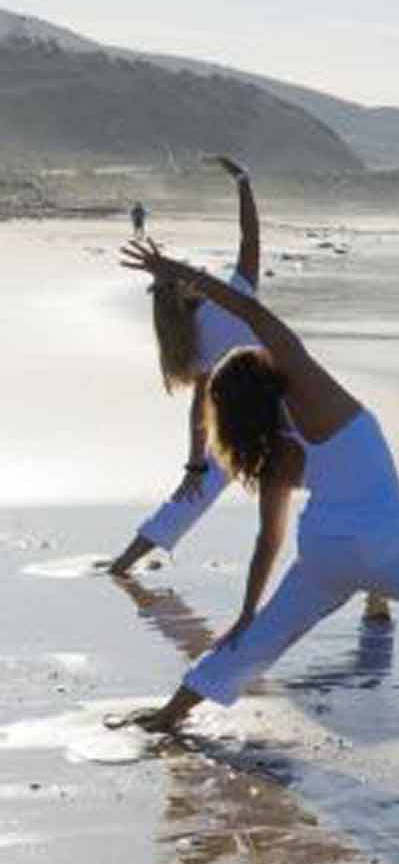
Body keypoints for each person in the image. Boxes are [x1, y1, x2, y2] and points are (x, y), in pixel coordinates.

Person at [113, 240, 399, 746]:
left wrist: (248, 611)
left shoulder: (269, 447)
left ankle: (170, 715)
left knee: (256, 641)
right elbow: (250, 309)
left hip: (323, 554)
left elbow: (268, 539)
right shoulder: (313, 392)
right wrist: (174, 268)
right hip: (387, 548)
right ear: (265, 369)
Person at [107, 157, 263, 577]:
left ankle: (122, 564)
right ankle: (376, 579)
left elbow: (200, 409)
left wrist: (195, 465)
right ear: (191, 286)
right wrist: (243, 182)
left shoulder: (187, 339)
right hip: (282, 416)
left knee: (190, 498)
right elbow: (250, 239)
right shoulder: (234, 299)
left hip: (234, 430)